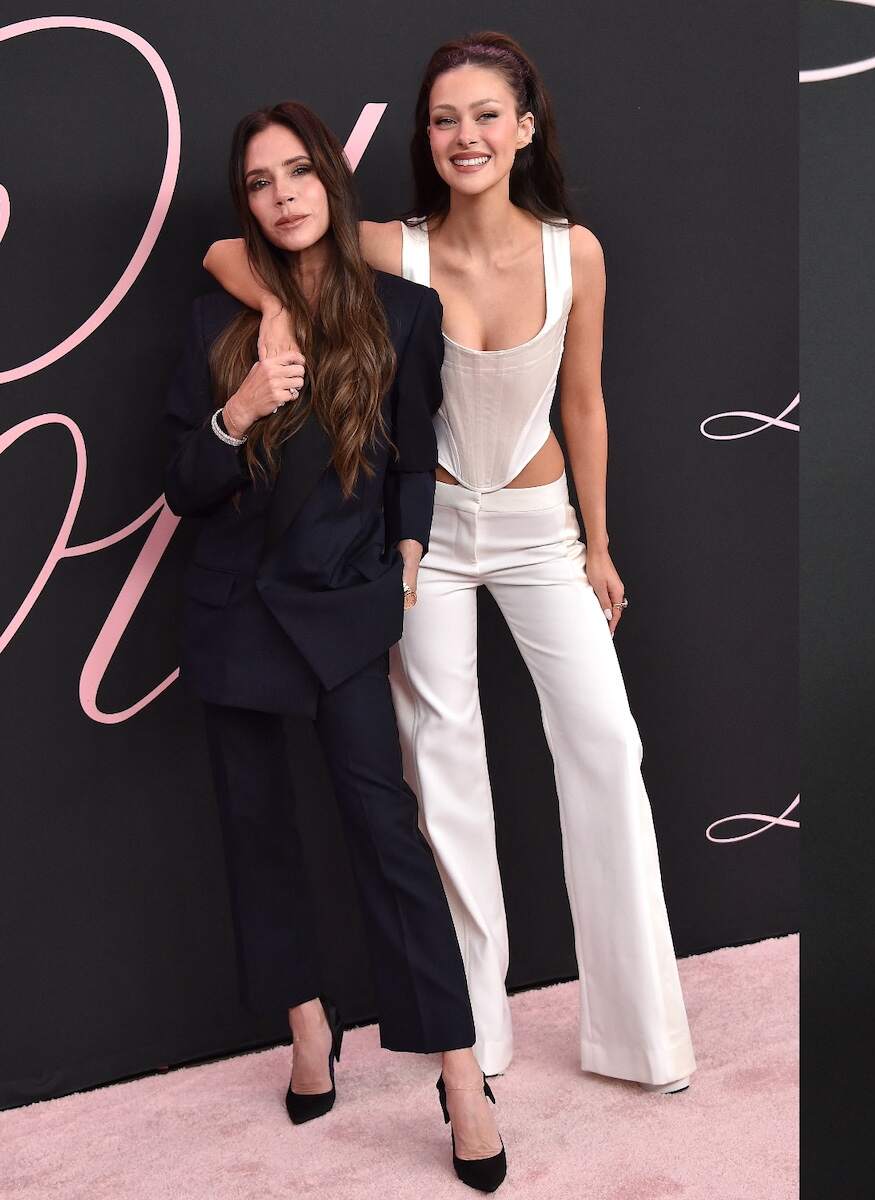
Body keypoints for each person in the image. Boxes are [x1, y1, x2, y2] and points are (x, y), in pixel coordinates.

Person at [203, 32, 695, 1093]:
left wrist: (599, 544)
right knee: (443, 764)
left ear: (525, 128)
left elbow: (585, 402)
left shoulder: (575, 253)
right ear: (425, 137)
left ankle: (641, 1037)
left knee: (606, 745)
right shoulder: (391, 247)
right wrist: (280, 306)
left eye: (484, 115)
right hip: (422, 539)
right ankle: (479, 1026)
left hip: (539, 527)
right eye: (442, 118)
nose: (463, 135)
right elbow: (232, 251)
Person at [166, 101, 507, 1192]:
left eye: (299, 173)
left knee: (386, 834)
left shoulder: (406, 311)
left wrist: (408, 548)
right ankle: (308, 1026)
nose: (283, 196)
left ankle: (460, 1074)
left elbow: (413, 456)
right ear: (247, 204)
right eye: (260, 182)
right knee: (257, 831)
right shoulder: (214, 319)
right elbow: (182, 488)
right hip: (235, 611)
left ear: (332, 180)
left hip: (342, 606)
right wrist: (237, 411)